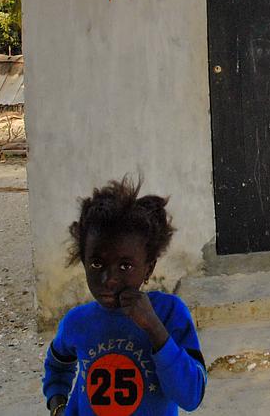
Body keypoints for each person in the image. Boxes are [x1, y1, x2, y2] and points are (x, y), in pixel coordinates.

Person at [42, 177, 207, 415]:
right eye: (97, 263)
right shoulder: (76, 322)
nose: (109, 278)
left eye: (125, 266)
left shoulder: (169, 314)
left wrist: (155, 330)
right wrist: (58, 404)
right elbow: (57, 365)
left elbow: (191, 397)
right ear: (84, 261)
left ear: (148, 268)